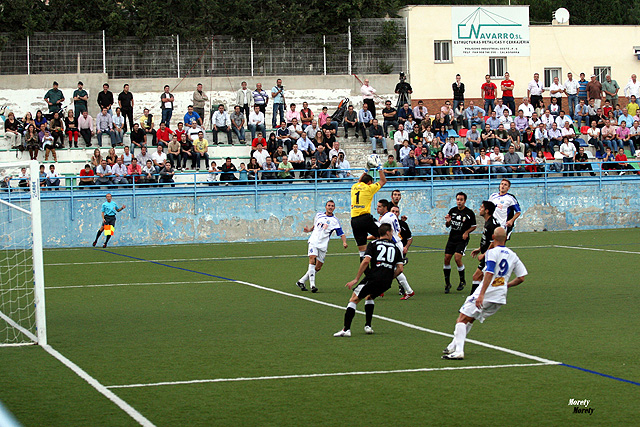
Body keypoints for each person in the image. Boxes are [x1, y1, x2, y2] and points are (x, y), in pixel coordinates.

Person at [442, 227, 527, 360]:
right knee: (469, 318)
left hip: (487, 293)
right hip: (500, 296)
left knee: (462, 318)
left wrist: (481, 294)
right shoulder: (513, 255)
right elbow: (521, 277)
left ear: (493, 237)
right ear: (505, 238)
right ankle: (452, 346)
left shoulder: (492, 252)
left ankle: (458, 351)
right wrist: (506, 285)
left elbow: (489, 272)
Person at [333, 223, 404, 337]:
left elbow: (366, 261)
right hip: (386, 282)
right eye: (391, 232)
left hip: (374, 277)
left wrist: (356, 279)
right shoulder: (396, 248)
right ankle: (368, 326)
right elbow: (400, 269)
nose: (392, 234)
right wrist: (388, 277)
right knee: (369, 296)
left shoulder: (373, 244)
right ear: (387, 233)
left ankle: (346, 329)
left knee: (354, 299)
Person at [295, 200, 348, 293]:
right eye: (329, 205)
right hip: (314, 241)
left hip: (323, 244)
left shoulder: (335, 221)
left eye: (332, 206)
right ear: (325, 207)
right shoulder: (319, 215)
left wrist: (344, 242)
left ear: (334, 208)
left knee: (318, 267)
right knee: (312, 259)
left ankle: (301, 281)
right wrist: (309, 230)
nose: (330, 207)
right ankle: (312, 285)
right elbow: (315, 226)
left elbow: (341, 233)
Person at [377, 199, 415, 299]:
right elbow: (398, 229)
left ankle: (381, 288)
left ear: (385, 207)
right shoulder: (392, 215)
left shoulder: (384, 220)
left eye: (379, 206)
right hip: (398, 243)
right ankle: (409, 291)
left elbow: (382, 234)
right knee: (394, 269)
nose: (377, 208)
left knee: (388, 267)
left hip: (392, 244)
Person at [350, 166, 387, 261]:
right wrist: (380, 168)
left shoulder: (354, 187)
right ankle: (385, 258)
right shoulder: (369, 188)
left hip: (354, 220)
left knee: (362, 250)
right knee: (383, 235)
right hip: (365, 218)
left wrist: (366, 170)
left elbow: (360, 181)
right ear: (370, 182)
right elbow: (383, 181)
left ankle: (366, 271)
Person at [443, 192, 477, 294]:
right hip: (452, 238)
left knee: (457, 258)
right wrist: (448, 221)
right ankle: (447, 283)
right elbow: (448, 225)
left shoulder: (469, 213)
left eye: (461, 200)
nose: (459, 202)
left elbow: (474, 225)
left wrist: (466, 232)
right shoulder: (452, 211)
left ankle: (462, 281)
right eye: (458, 199)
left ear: (465, 201)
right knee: (447, 259)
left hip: (462, 239)